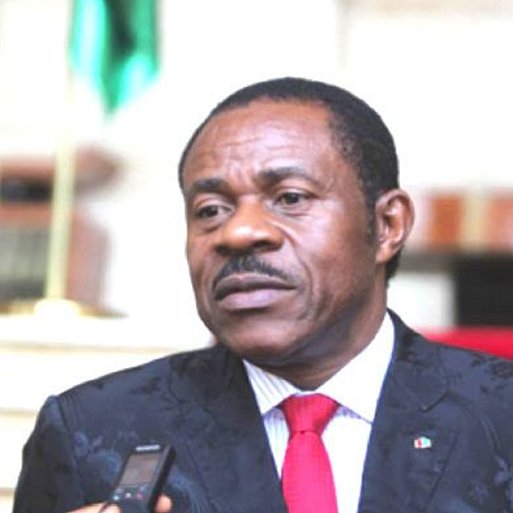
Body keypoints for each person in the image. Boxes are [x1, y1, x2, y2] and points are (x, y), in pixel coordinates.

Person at [13, 77, 513, 513]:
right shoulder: (90, 433)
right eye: (210, 210)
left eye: (290, 198)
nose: (239, 232)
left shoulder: (499, 414)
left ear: (387, 225)